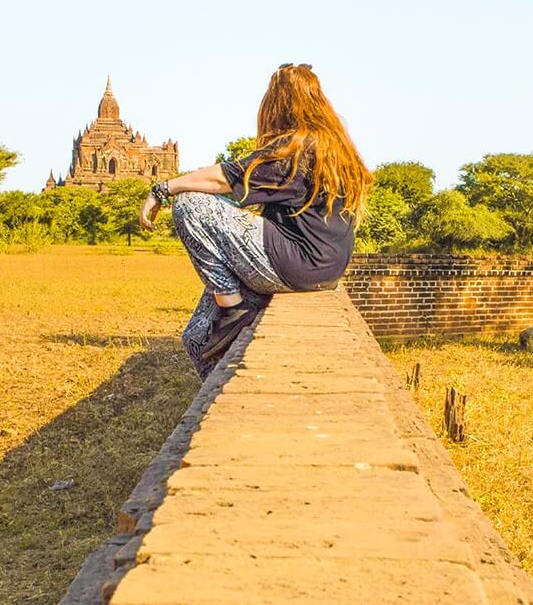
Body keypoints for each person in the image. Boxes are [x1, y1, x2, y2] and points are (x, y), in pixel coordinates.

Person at [139, 63, 372, 378]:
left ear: (276, 104)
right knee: (195, 338)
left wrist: (162, 189)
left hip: (297, 264)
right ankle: (221, 396)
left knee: (189, 203)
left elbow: (222, 180)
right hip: (323, 268)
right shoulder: (336, 149)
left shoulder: (295, 149)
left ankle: (232, 307)